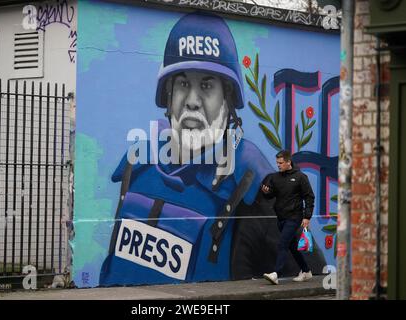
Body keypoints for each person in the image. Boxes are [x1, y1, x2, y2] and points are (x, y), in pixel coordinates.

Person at [98, 12, 274, 286]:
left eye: (207, 85)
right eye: (182, 83)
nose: (192, 101)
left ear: (228, 99)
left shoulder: (254, 187)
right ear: (167, 97)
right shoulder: (137, 166)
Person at [260, 150, 315, 285]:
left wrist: (307, 217)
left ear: (288, 162)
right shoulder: (275, 177)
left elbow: (309, 197)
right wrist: (266, 192)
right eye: (277, 163)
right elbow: (271, 195)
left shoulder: (300, 177)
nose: (278, 165)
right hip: (281, 218)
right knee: (291, 246)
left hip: (295, 217)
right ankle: (306, 271)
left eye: (281, 163)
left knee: (282, 243)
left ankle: (276, 274)